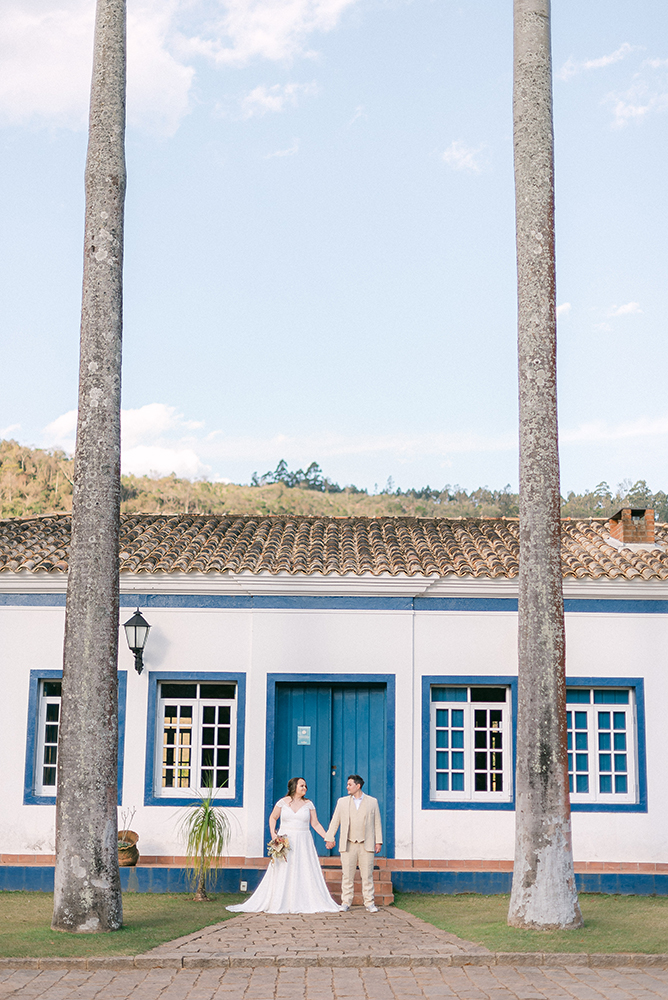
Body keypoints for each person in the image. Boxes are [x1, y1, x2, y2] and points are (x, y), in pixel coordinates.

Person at [227, 777, 342, 914]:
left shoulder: (309, 804)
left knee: (303, 868)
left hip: (303, 840)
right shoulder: (282, 802)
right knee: (282, 869)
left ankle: (302, 900)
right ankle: (280, 900)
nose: (304, 788)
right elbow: (273, 817)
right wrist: (273, 834)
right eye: (301, 785)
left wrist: (327, 837)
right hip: (284, 840)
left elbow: (315, 823)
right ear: (294, 787)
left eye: (305, 786)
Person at [325, 774, 383, 913]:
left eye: (350, 784)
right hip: (348, 843)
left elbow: (377, 823)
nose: (347, 787)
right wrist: (329, 837)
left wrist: (378, 841)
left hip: (366, 844)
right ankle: (346, 902)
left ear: (358, 786)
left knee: (367, 875)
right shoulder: (342, 802)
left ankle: (369, 903)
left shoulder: (372, 802)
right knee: (347, 875)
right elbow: (335, 821)